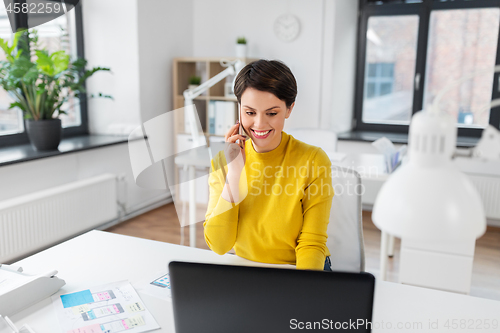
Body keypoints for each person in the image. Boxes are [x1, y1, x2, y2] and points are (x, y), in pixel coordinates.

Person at [203, 59, 334, 271]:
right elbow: (218, 245)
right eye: (250, 112)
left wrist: (305, 291)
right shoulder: (222, 161)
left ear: (289, 109)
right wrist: (234, 176)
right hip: (248, 267)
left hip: (300, 270)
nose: (260, 124)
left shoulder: (313, 160)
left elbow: (312, 243)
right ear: (239, 110)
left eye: (272, 113)